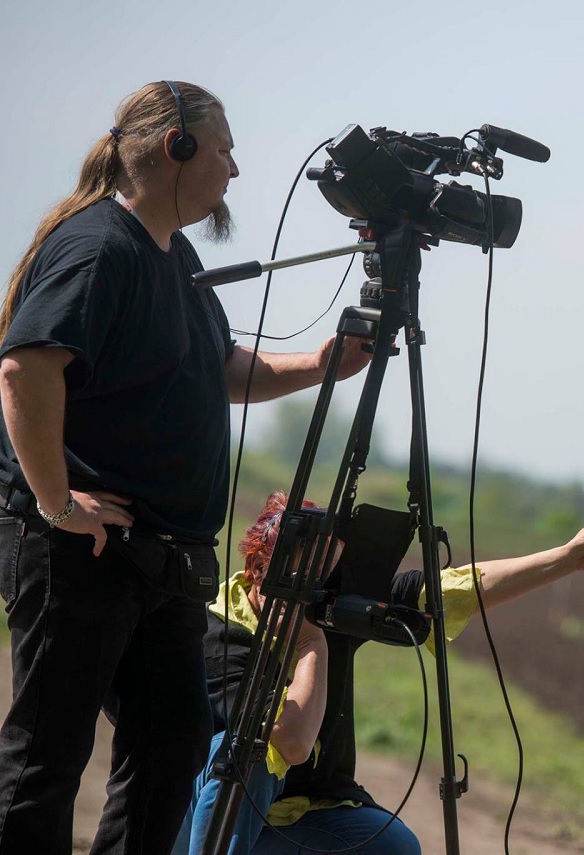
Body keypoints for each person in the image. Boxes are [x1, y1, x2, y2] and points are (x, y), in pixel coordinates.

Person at [0, 81, 371, 854]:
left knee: (171, 753)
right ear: (178, 146)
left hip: (163, 563)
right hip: (84, 552)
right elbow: (24, 370)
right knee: (46, 760)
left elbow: (224, 366)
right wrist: (57, 501)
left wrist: (325, 363)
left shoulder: (176, 255)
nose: (235, 170)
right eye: (226, 149)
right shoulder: (99, 246)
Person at [173, 490, 584, 854]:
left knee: (393, 845)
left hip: (297, 816)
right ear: (256, 570)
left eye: (324, 577)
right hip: (203, 824)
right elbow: (290, 743)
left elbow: (448, 590)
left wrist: (567, 557)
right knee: (246, 748)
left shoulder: (322, 602)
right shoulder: (218, 635)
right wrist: (313, 644)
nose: (314, 593)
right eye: (300, 579)